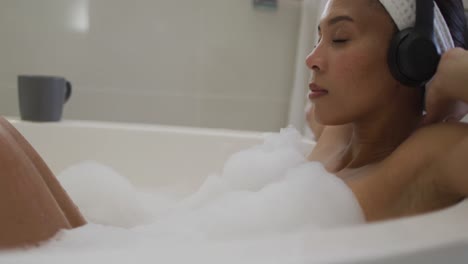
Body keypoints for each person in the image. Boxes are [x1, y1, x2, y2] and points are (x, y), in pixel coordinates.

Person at [306, 0, 468, 221]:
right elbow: (311, 117)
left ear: (412, 57)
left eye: (339, 38)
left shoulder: (432, 157)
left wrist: (454, 69)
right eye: (319, 39)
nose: (311, 59)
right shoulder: (339, 135)